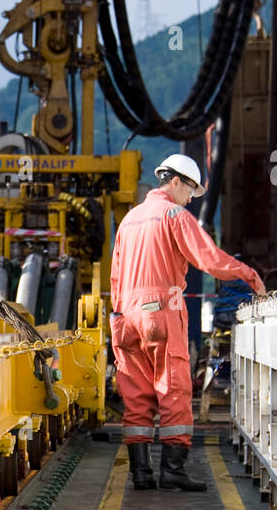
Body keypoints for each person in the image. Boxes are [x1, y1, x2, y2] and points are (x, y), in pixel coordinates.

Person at [110, 154, 266, 491]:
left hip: (124, 317)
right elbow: (209, 259)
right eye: (191, 191)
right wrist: (248, 275)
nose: (191, 200)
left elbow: (115, 276)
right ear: (176, 181)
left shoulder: (130, 219)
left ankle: (141, 474)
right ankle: (173, 471)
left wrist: (121, 312)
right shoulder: (174, 215)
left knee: (135, 395)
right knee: (173, 388)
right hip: (161, 312)